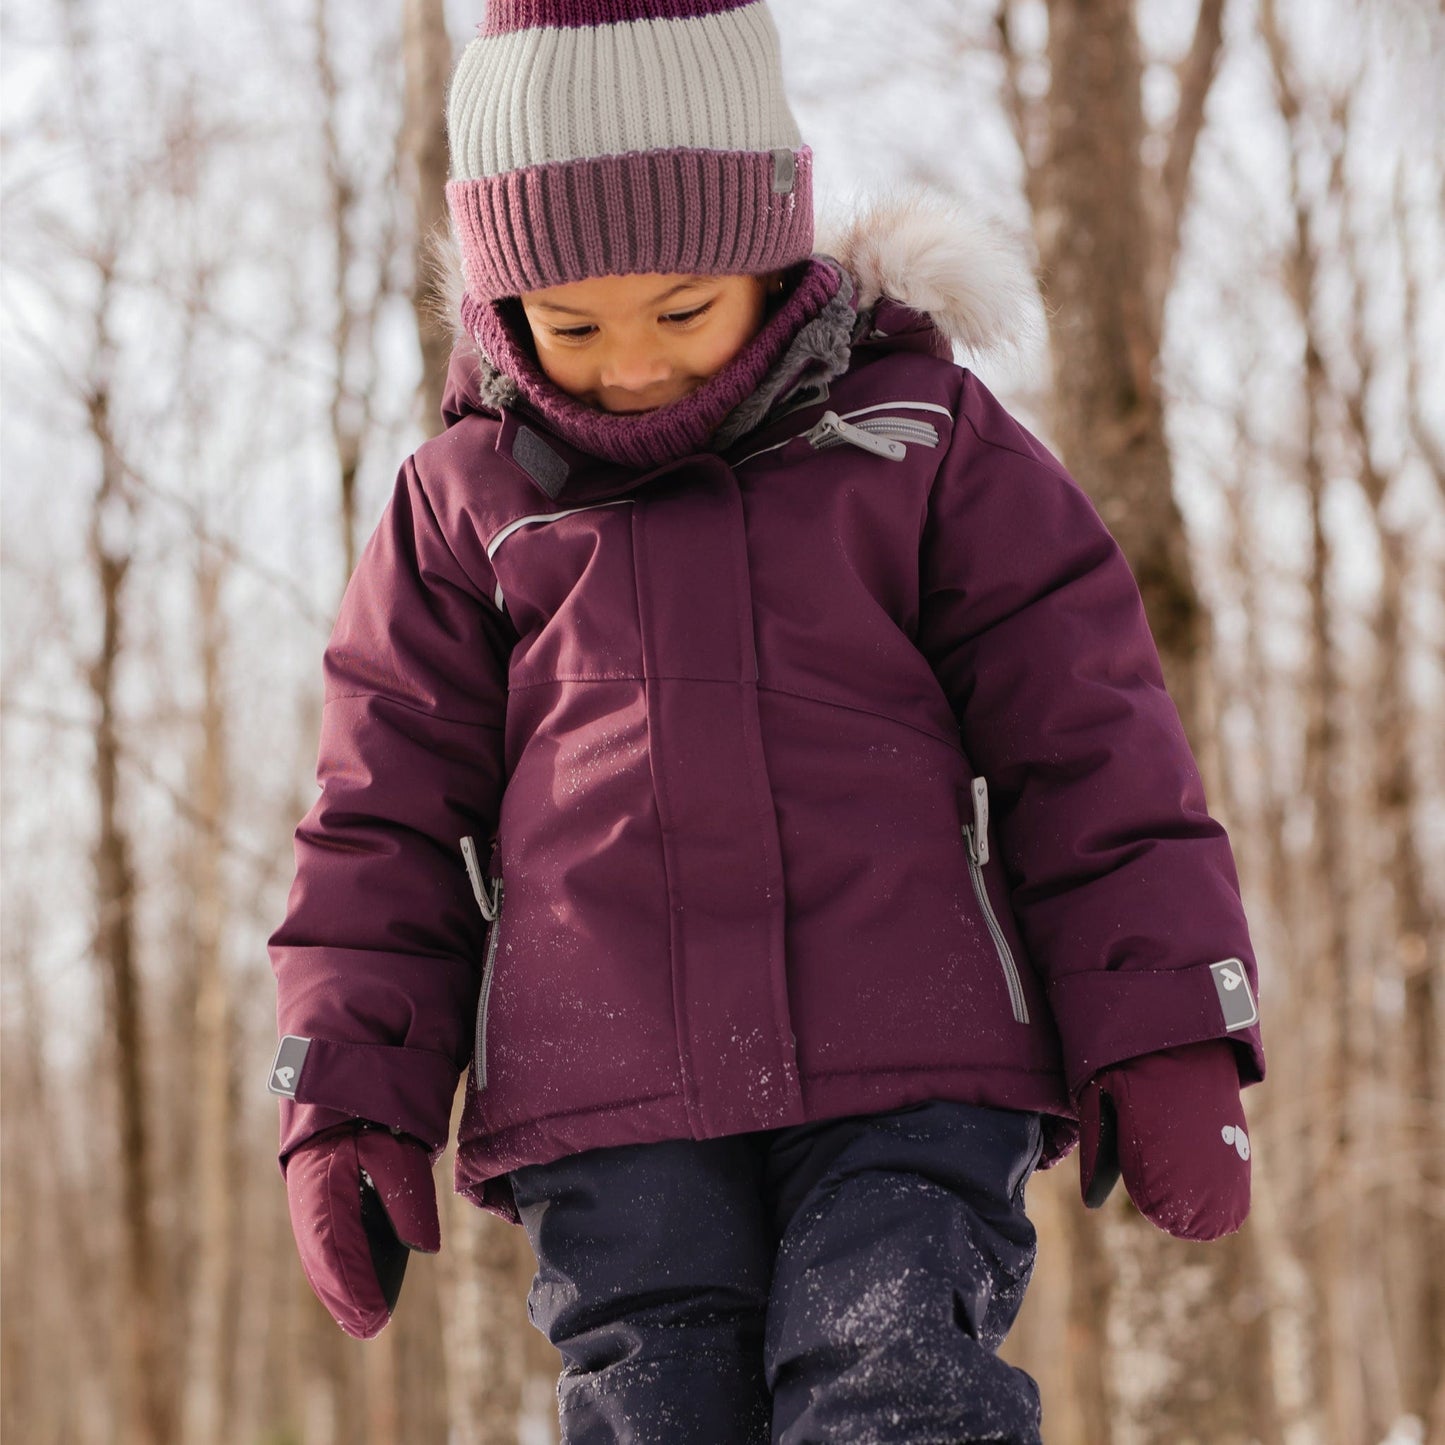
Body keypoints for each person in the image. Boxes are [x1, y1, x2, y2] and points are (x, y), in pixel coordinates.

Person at [269, 2, 1266, 1440]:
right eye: (570, 322)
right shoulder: (459, 506)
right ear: (500, 306)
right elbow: (380, 827)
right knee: (656, 1398)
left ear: (772, 246)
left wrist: (1164, 1014)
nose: (630, 363)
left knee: (892, 1374)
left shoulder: (923, 442)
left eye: (681, 309)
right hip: (607, 1093)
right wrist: (348, 1093)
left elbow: (1092, 743)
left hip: (909, 1060)